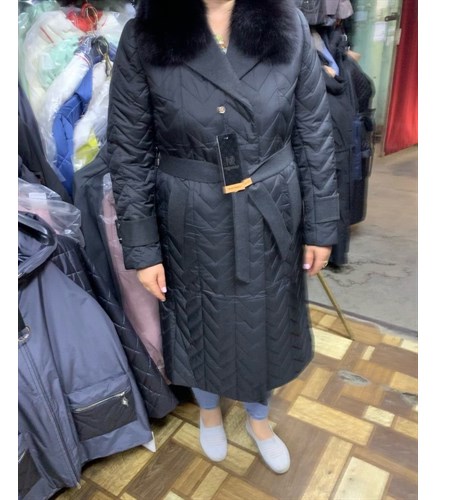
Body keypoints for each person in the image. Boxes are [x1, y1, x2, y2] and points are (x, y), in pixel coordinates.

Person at [106, 0, 339, 475]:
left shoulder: (287, 22)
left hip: (270, 206)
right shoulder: (145, 33)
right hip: (189, 212)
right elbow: (129, 151)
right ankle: (209, 410)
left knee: (266, 321)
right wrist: (143, 248)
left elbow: (314, 133)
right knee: (198, 321)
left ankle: (259, 418)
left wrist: (321, 226)